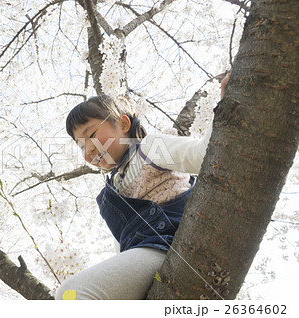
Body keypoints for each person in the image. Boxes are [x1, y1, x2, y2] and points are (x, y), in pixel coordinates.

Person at [56, 75, 230, 300]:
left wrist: (224, 106)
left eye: (91, 135)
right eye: (80, 145)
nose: (87, 149)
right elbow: (124, 249)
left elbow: (203, 156)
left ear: (123, 123)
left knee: (70, 295)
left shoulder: (150, 148)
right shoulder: (110, 193)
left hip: (171, 246)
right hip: (146, 262)